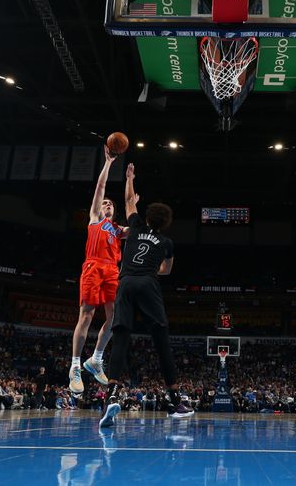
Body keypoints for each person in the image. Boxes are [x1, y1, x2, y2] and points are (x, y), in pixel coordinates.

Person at [99, 163, 193, 428]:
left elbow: (129, 201)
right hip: (148, 284)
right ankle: (175, 401)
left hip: (125, 282)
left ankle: (112, 395)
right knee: (161, 340)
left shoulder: (137, 225)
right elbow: (166, 271)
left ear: (148, 217)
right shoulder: (166, 243)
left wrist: (130, 178)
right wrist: (152, 266)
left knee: (120, 338)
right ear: (165, 223)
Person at [70, 146, 129, 395]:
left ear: (114, 211)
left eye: (109, 205)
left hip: (112, 271)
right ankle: (74, 366)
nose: (106, 205)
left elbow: (137, 226)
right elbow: (100, 189)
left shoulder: (118, 230)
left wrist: (131, 188)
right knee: (86, 315)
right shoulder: (95, 218)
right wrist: (108, 163)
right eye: (104, 204)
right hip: (93, 266)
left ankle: (95, 359)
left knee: (114, 318)